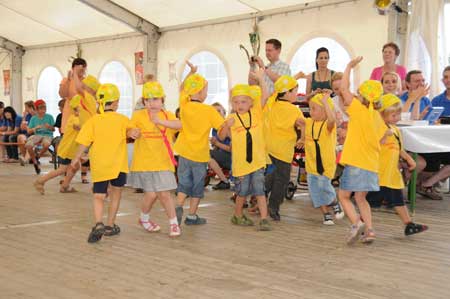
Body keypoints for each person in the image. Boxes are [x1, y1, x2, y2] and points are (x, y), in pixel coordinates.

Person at [72, 83, 137, 243]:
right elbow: (133, 133)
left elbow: (83, 142)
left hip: (100, 164)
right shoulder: (123, 119)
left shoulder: (94, 120)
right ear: (115, 103)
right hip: (118, 165)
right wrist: (133, 133)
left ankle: (98, 223)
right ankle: (110, 225)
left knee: (99, 196)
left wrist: (75, 158)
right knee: (116, 194)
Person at [338, 57, 386, 245]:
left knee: (343, 196)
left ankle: (356, 222)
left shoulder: (358, 109)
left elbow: (342, 89)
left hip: (356, 162)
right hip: (371, 164)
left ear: (362, 97)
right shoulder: (378, 117)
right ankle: (370, 230)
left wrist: (349, 66)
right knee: (361, 198)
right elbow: (383, 137)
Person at [366, 94, 428, 236]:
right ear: (382, 114)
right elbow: (372, 146)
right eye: (393, 115)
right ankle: (359, 222)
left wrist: (409, 159)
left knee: (398, 200)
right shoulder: (378, 127)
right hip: (379, 175)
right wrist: (383, 137)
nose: (397, 117)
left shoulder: (395, 130)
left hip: (391, 174)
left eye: (398, 114)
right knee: (369, 203)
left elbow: (399, 148)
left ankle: (409, 225)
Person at [219, 74, 271, 231]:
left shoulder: (256, 113)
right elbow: (221, 137)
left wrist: (261, 79)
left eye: (243, 101)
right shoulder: (231, 118)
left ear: (251, 102)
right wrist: (227, 126)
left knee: (259, 190)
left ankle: (264, 218)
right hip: (241, 164)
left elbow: (266, 95)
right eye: (236, 102)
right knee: (242, 192)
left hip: (257, 162)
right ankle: (238, 214)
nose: (239, 105)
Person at [129, 81, 182, 237]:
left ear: (162, 100)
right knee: (151, 195)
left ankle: (173, 224)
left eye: (156, 99)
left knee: (164, 193)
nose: (152, 103)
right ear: (144, 102)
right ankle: (144, 219)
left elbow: (179, 125)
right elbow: (129, 128)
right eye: (148, 100)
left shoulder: (168, 115)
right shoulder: (138, 115)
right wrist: (132, 132)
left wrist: (160, 121)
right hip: (144, 163)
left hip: (163, 162)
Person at [174, 62, 224, 226]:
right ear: (201, 92)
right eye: (205, 90)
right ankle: (192, 216)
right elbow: (221, 131)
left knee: (183, 183)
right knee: (197, 187)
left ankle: (178, 205)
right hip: (200, 155)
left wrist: (190, 73)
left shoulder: (184, 106)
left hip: (184, 153)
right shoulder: (210, 111)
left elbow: (182, 89)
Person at [296, 93, 344, 225]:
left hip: (325, 163)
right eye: (310, 108)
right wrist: (301, 137)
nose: (310, 112)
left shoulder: (329, 126)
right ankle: (326, 214)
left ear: (325, 110)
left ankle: (334, 202)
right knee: (315, 191)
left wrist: (325, 102)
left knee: (324, 185)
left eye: (314, 109)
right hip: (311, 165)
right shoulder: (309, 122)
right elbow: (304, 131)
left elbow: (332, 120)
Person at [265, 75, 304, 221]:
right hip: (283, 151)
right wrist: (302, 137)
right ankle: (273, 206)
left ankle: (260, 194)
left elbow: (278, 88)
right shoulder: (294, 110)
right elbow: (302, 125)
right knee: (282, 179)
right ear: (287, 93)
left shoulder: (272, 102)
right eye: (294, 91)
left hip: (269, 148)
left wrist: (296, 77)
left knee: (274, 175)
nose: (296, 95)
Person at [33, 96, 83, 194]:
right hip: (67, 148)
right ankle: (40, 181)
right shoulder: (75, 119)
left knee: (76, 166)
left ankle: (65, 186)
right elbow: (79, 127)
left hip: (71, 148)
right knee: (62, 169)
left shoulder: (76, 117)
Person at [25, 99, 55, 174]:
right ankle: (35, 162)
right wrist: (35, 128)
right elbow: (28, 131)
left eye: (44, 109)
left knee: (47, 144)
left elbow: (53, 129)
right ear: (37, 109)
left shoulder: (50, 117)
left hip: (47, 135)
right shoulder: (33, 118)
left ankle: (38, 156)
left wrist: (49, 127)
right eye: (41, 109)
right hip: (37, 135)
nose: (43, 111)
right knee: (28, 145)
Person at [59, 58, 87, 133]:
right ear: (73, 68)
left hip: (82, 113)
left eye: (83, 69)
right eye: (79, 69)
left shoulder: (86, 81)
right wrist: (68, 80)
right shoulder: (66, 80)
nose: (82, 71)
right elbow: (62, 94)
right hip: (69, 113)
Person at [209, 102, 232, 190]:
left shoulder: (228, 126)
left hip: (234, 158)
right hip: (224, 156)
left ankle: (225, 181)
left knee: (205, 154)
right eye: (214, 112)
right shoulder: (215, 128)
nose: (217, 114)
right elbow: (217, 148)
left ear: (224, 112)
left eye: (219, 111)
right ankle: (224, 180)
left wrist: (217, 144)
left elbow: (234, 149)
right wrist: (214, 145)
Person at [18, 101, 36, 165]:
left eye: (26, 107)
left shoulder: (36, 115)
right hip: (27, 134)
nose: (25, 108)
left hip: (35, 134)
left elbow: (35, 128)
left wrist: (27, 128)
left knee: (30, 141)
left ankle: (25, 159)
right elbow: (22, 128)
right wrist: (24, 117)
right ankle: (24, 156)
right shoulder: (27, 115)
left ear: (31, 107)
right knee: (20, 137)